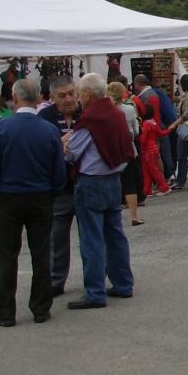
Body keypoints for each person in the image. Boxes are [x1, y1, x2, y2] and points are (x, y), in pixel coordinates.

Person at [0, 79, 65, 326]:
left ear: (15, 97)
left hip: (8, 198)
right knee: (41, 253)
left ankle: (6, 312)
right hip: (40, 197)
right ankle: (41, 308)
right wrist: (51, 192)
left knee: (7, 256)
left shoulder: (3, 128)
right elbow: (58, 171)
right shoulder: (49, 130)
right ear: (39, 98)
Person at [63, 73, 136, 310]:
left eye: (78, 92)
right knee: (115, 234)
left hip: (91, 182)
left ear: (87, 93)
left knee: (91, 238)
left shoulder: (91, 119)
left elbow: (72, 152)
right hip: (113, 179)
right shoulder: (116, 113)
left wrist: (64, 144)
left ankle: (94, 291)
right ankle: (123, 283)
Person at [37, 76, 81, 295]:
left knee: (91, 237)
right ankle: (56, 282)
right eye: (62, 96)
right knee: (57, 239)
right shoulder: (45, 118)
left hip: (84, 185)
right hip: (59, 190)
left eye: (72, 93)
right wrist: (57, 144)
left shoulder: (86, 113)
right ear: (52, 98)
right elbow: (38, 151)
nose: (69, 99)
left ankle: (95, 279)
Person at [106, 81, 143, 226]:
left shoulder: (105, 111)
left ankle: (113, 216)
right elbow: (136, 131)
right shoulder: (129, 109)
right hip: (128, 149)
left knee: (113, 182)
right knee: (130, 183)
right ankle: (134, 216)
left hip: (111, 151)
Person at [138, 105, 173, 197]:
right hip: (153, 148)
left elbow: (143, 139)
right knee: (149, 170)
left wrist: (138, 142)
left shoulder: (145, 124)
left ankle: (164, 188)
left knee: (151, 170)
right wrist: (170, 129)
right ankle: (147, 190)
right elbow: (161, 133)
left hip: (147, 150)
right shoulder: (153, 123)